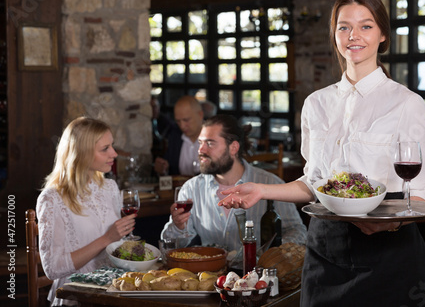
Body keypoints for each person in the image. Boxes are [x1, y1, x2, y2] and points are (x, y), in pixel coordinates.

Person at [219, 0, 425, 307]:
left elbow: (419, 191)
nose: (353, 35)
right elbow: (315, 182)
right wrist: (263, 191)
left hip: (388, 253)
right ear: (334, 35)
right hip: (325, 252)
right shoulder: (316, 104)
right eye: (343, 26)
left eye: (366, 25)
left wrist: (391, 221)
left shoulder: (406, 104)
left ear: (383, 35)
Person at [161, 115, 307, 257]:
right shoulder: (191, 189)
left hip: (258, 276)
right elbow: (168, 247)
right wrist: (178, 227)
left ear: (233, 148)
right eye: (200, 143)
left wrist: (274, 253)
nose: (201, 150)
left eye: (210, 143)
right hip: (211, 276)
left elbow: (298, 231)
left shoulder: (270, 184)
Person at [36, 117, 137, 306]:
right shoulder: (52, 198)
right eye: (105, 149)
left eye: (111, 146)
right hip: (76, 297)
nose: (114, 153)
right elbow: (52, 268)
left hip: (113, 291)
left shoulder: (110, 187)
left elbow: (116, 247)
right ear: (81, 153)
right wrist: (107, 238)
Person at [154, 96, 204, 176]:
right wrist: (163, 169)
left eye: (186, 120)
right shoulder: (175, 136)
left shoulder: (214, 139)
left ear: (200, 115)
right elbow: (169, 171)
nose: (182, 126)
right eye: (178, 121)